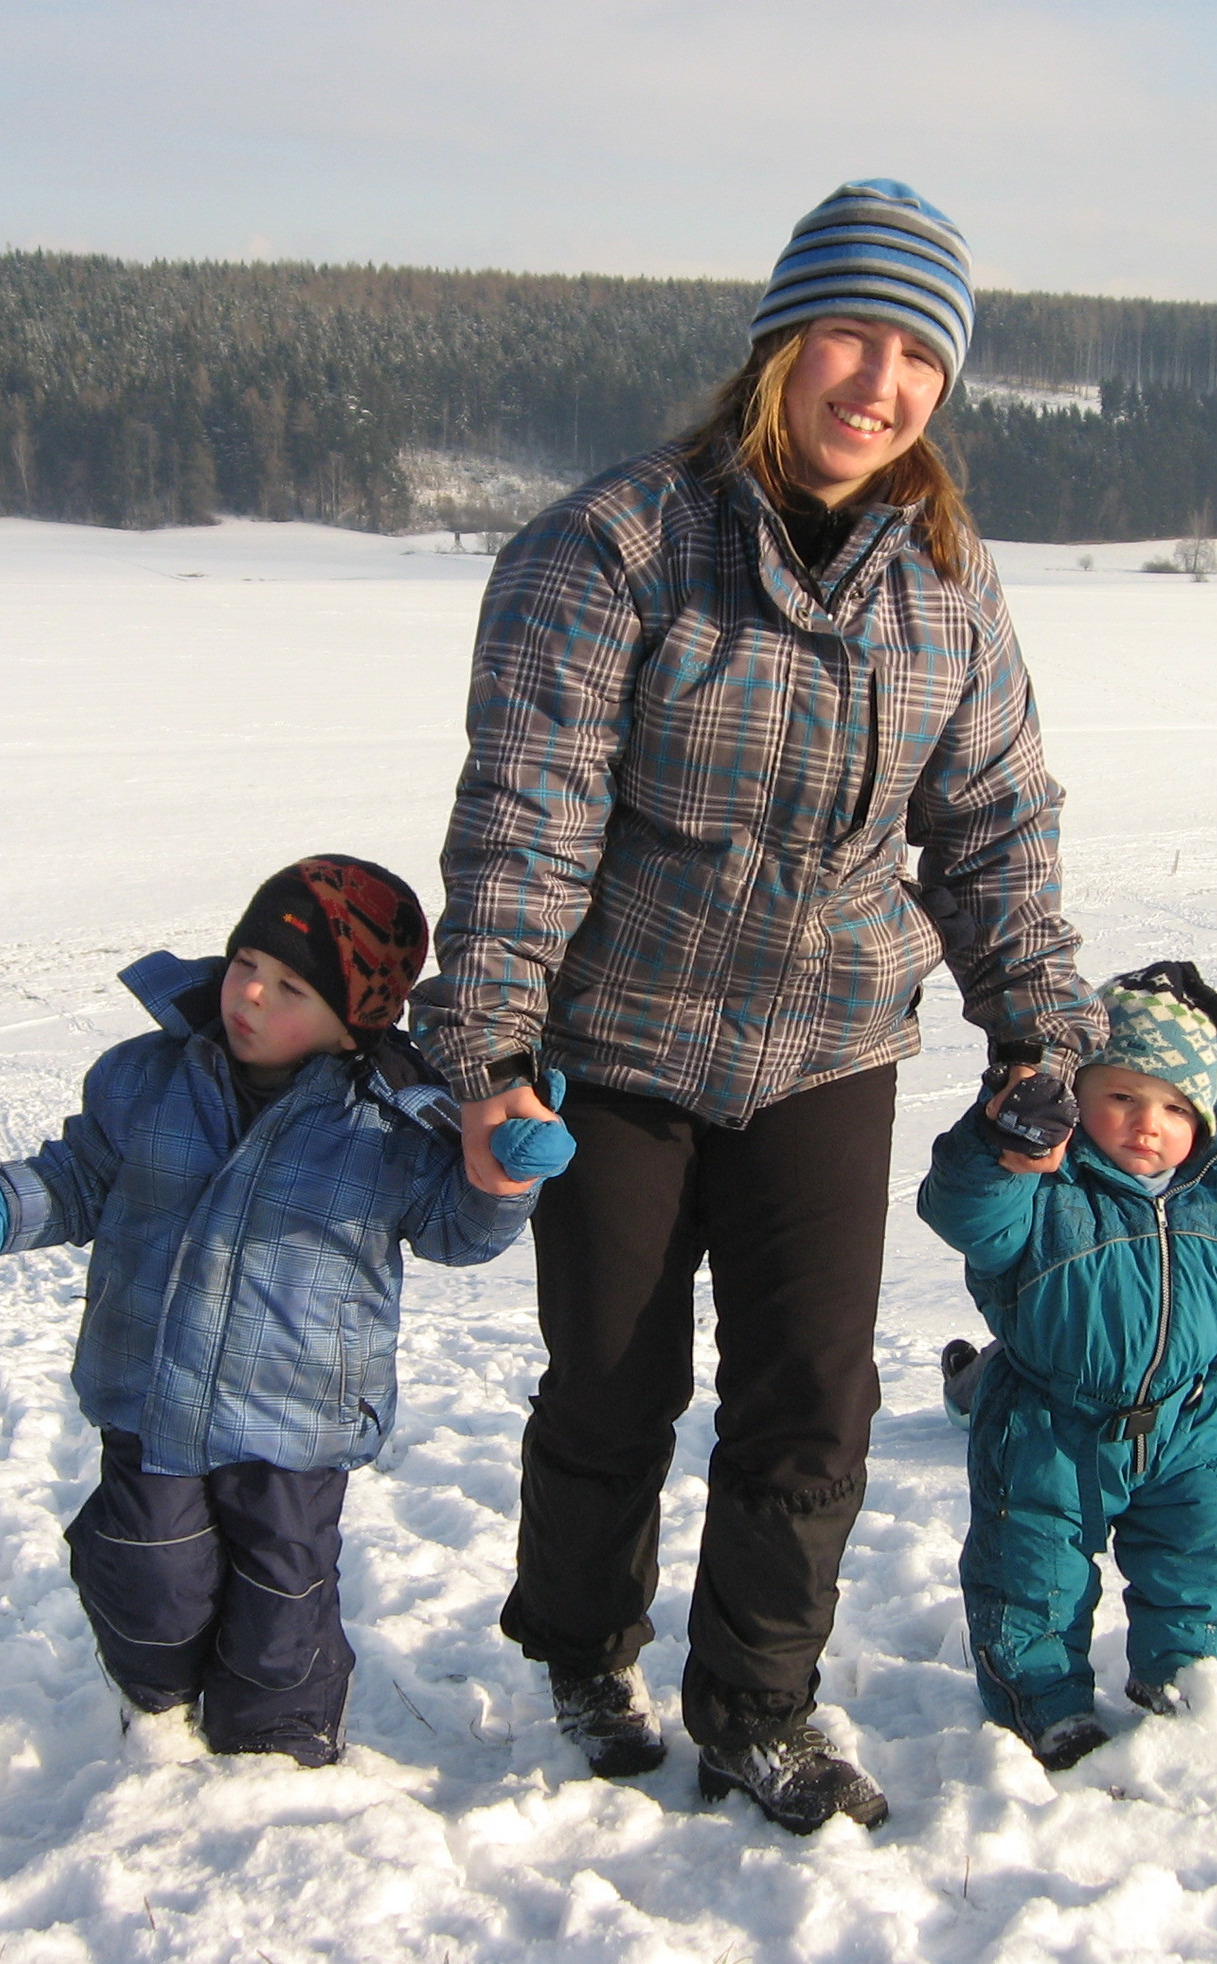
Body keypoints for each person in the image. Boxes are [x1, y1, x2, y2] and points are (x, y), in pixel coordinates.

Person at [420, 179, 1105, 1834]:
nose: (882, 384)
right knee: (611, 1378)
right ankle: (582, 1646)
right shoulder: (613, 544)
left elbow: (993, 822)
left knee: (812, 1392)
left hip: (826, 1042)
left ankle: (756, 1704)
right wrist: (492, 1049)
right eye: (853, 338)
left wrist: (1038, 1030)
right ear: (780, 343)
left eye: (918, 358)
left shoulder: (945, 584)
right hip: (619, 1039)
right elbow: (528, 814)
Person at [0, 857, 546, 1765]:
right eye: (247, 963)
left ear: (352, 1022)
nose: (249, 993)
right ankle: (154, 1696)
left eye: (291, 988)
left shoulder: (390, 1124)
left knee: (283, 1599)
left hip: (297, 1414)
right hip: (150, 1391)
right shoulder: (149, 1081)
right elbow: (78, 1177)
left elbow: (457, 1230)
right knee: (148, 1570)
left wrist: (504, 1180)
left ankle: (278, 1739)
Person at [916, 963, 1217, 1771]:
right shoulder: (1044, 1179)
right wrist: (1000, 1144)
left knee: (1213, 1550)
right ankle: (1043, 1706)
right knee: (1031, 1575)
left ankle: (1184, 1673)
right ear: (1078, 1094)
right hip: (1049, 1422)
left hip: (1188, 1419)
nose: (1148, 1124)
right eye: (1123, 1097)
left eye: (1175, 1107)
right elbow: (964, 1213)